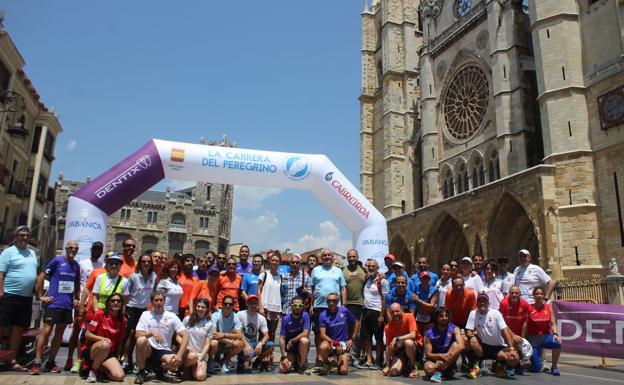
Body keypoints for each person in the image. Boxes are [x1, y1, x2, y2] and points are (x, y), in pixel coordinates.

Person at [32, 240, 82, 375]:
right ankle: (37, 362)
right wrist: (41, 295)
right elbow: (41, 277)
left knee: (59, 335)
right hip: (53, 303)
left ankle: (51, 362)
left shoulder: (76, 266)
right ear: (66, 248)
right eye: (70, 247)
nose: (73, 250)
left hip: (67, 305)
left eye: (75, 248)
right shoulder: (57, 261)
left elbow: (77, 284)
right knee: (46, 332)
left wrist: (76, 298)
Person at [0, 226, 38, 372]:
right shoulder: (8, 252)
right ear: (16, 236)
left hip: (26, 297)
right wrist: (1, 291)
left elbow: (32, 273)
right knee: (1, 326)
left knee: (18, 329)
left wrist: (36, 291)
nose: (24, 238)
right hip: (9, 295)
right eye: (21, 235)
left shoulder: (32, 254)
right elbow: (1, 273)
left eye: (27, 235)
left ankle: (12, 360)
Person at [134, 290, 190, 384]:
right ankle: (141, 372)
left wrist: (179, 355)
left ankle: (160, 370)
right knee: (141, 340)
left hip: (164, 351)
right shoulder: (145, 315)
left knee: (174, 363)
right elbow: (137, 334)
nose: (159, 303)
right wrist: (151, 334)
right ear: (152, 302)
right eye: (156, 300)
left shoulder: (172, 316)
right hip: (149, 350)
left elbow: (186, 335)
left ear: (164, 301)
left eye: (161, 300)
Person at [465, 294, 519, 379]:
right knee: (466, 340)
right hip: (482, 346)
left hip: (497, 347)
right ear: (477, 303)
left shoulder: (496, 313)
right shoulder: (473, 313)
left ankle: (499, 366)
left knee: (513, 359)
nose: (482, 303)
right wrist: (471, 337)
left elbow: (504, 330)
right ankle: (476, 367)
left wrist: (511, 348)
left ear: (488, 303)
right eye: (480, 301)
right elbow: (468, 330)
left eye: (484, 301)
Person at [70, 241, 105, 372]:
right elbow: (79, 283)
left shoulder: (104, 266)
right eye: (95, 248)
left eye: (99, 249)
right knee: (77, 332)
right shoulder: (82, 263)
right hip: (83, 303)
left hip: (95, 306)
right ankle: (72, 359)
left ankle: (86, 360)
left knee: (90, 334)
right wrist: (78, 301)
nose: (97, 251)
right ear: (91, 249)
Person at [310, 248, 347, 364]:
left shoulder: (338, 271)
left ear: (332, 257)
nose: (327, 257)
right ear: (321, 258)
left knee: (335, 333)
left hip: (335, 307)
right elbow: (314, 289)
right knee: (318, 334)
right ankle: (319, 357)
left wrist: (344, 305)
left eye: (329, 255)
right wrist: (311, 305)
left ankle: (336, 358)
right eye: (324, 255)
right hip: (319, 306)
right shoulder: (316, 270)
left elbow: (343, 288)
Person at [123, 252, 157, 373]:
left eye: (148, 261)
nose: (146, 263)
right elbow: (126, 294)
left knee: (142, 335)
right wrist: (123, 309)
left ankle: (139, 362)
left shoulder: (154, 276)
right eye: (143, 261)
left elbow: (153, 293)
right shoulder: (134, 277)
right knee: (131, 334)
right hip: (132, 307)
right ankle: (126, 359)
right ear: (139, 263)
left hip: (144, 309)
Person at [81, 293, 126, 383]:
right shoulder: (100, 314)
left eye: (118, 301)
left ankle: (100, 368)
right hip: (93, 349)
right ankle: (93, 371)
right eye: (113, 301)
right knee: (105, 345)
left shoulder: (122, 319)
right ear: (108, 303)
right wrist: (101, 338)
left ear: (121, 304)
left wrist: (117, 357)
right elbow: (87, 334)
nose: (116, 303)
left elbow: (120, 340)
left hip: (108, 353)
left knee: (119, 376)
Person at [317, 292, 359, 376]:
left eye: (334, 301)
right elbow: (322, 334)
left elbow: (356, 322)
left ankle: (339, 359)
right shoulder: (322, 315)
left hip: (343, 343)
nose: (331, 303)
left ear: (338, 301)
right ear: (327, 302)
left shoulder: (344, 310)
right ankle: (327, 363)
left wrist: (352, 339)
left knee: (343, 371)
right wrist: (336, 344)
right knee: (322, 346)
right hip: (330, 342)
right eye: (329, 301)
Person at [357, 259, 388, 370]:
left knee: (378, 338)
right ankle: (369, 360)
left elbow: (385, 299)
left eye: (373, 266)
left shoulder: (383, 281)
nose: (370, 268)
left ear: (377, 268)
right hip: (366, 311)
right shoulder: (367, 278)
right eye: (369, 266)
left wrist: (381, 315)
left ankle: (379, 360)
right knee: (367, 338)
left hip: (377, 312)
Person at [522, 286, 561, 375]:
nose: (539, 295)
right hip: (533, 340)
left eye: (541, 294)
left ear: (544, 296)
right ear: (534, 296)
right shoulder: (529, 308)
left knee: (558, 343)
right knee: (536, 369)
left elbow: (553, 323)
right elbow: (525, 325)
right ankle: (524, 365)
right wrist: (523, 339)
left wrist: (555, 334)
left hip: (545, 338)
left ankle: (554, 367)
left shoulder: (548, 308)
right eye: (537, 294)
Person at [424, 307, 465, 382]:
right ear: (436, 318)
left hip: (449, 360)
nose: (444, 318)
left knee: (456, 344)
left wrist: (446, 357)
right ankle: (443, 372)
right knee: (429, 368)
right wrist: (440, 356)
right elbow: (428, 354)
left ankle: (442, 369)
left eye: (446, 316)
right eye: (441, 316)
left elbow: (462, 346)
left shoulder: (454, 328)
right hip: (435, 360)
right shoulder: (429, 333)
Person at [382, 303, 421, 378]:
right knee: (393, 372)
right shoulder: (388, 327)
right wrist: (387, 365)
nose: (395, 314)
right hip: (401, 351)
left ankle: (413, 366)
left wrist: (397, 338)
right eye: (392, 312)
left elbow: (413, 335)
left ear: (402, 310)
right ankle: (405, 365)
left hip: (414, 347)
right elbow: (388, 347)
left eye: (397, 311)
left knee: (408, 342)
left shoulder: (409, 316)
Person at [237, 294, 274, 372]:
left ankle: (258, 361)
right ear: (247, 304)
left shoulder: (261, 318)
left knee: (271, 346)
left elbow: (266, 335)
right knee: (241, 347)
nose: (253, 305)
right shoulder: (240, 314)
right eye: (251, 303)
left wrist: (261, 343)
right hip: (242, 342)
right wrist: (246, 344)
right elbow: (238, 332)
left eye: (255, 303)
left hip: (254, 344)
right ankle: (241, 360)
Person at [209, 295, 244, 374]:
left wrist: (223, 335)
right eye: (226, 303)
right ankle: (210, 361)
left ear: (233, 306)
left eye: (230, 304)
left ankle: (225, 361)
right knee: (214, 343)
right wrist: (231, 342)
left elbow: (239, 335)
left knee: (241, 345)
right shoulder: (216, 315)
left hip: (224, 340)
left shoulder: (235, 316)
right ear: (222, 304)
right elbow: (214, 334)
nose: (228, 306)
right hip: (216, 342)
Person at [257, 252, 282, 361]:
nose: (275, 262)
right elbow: (258, 290)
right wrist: (260, 306)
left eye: (277, 260)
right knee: (263, 334)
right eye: (273, 260)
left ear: (279, 262)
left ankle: (268, 358)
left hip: (276, 309)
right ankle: (260, 358)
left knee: (272, 334)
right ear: (270, 261)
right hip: (265, 308)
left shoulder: (280, 276)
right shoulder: (264, 274)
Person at [181, 298, 214, 381]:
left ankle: (192, 368)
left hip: (200, 354)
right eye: (198, 306)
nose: (200, 309)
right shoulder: (187, 319)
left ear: (207, 309)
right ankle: (185, 368)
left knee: (200, 376)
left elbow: (207, 344)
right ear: (195, 307)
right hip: (187, 352)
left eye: (203, 307)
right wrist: (185, 347)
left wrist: (200, 357)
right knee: (192, 357)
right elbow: (179, 336)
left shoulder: (210, 324)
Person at [279, 297, 311, 374]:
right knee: (283, 369)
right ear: (291, 306)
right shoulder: (286, 319)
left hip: (301, 346)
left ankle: (302, 365)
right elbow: (281, 339)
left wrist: (293, 340)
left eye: (300, 306)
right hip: (291, 349)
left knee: (305, 340)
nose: (297, 308)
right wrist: (284, 356)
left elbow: (306, 333)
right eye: (295, 305)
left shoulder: (305, 315)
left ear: (303, 306)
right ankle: (295, 361)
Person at [178, 254, 198, 319]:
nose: (190, 263)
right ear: (182, 262)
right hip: (177, 309)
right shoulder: (177, 276)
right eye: (188, 261)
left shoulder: (195, 279)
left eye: (192, 261)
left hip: (190, 309)